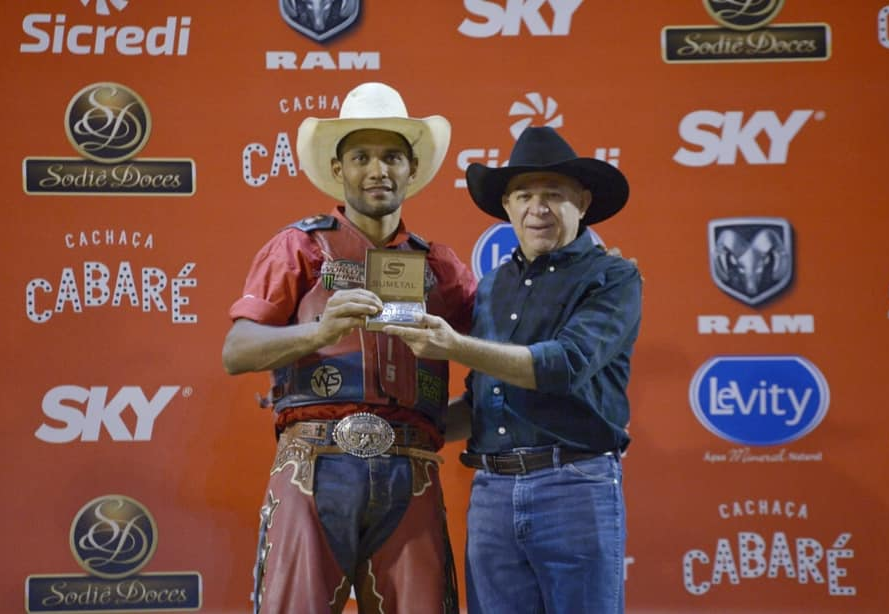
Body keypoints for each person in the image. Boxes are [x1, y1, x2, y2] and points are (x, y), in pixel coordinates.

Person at [222, 82, 476, 614]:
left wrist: (578, 267)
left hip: (413, 462)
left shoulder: (442, 267)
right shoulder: (298, 246)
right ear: (339, 170)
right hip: (313, 463)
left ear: (411, 169)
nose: (377, 170)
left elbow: (494, 352)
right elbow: (237, 350)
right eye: (361, 156)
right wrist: (317, 333)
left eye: (391, 158)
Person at [384, 126, 642, 613]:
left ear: (582, 202)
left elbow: (563, 365)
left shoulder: (613, 277)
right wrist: (395, 425)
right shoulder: (493, 286)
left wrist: (455, 344)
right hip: (491, 494)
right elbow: (484, 404)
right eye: (524, 194)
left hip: (575, 485)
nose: (537, 208)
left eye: (553, 195)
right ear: (506, 205)